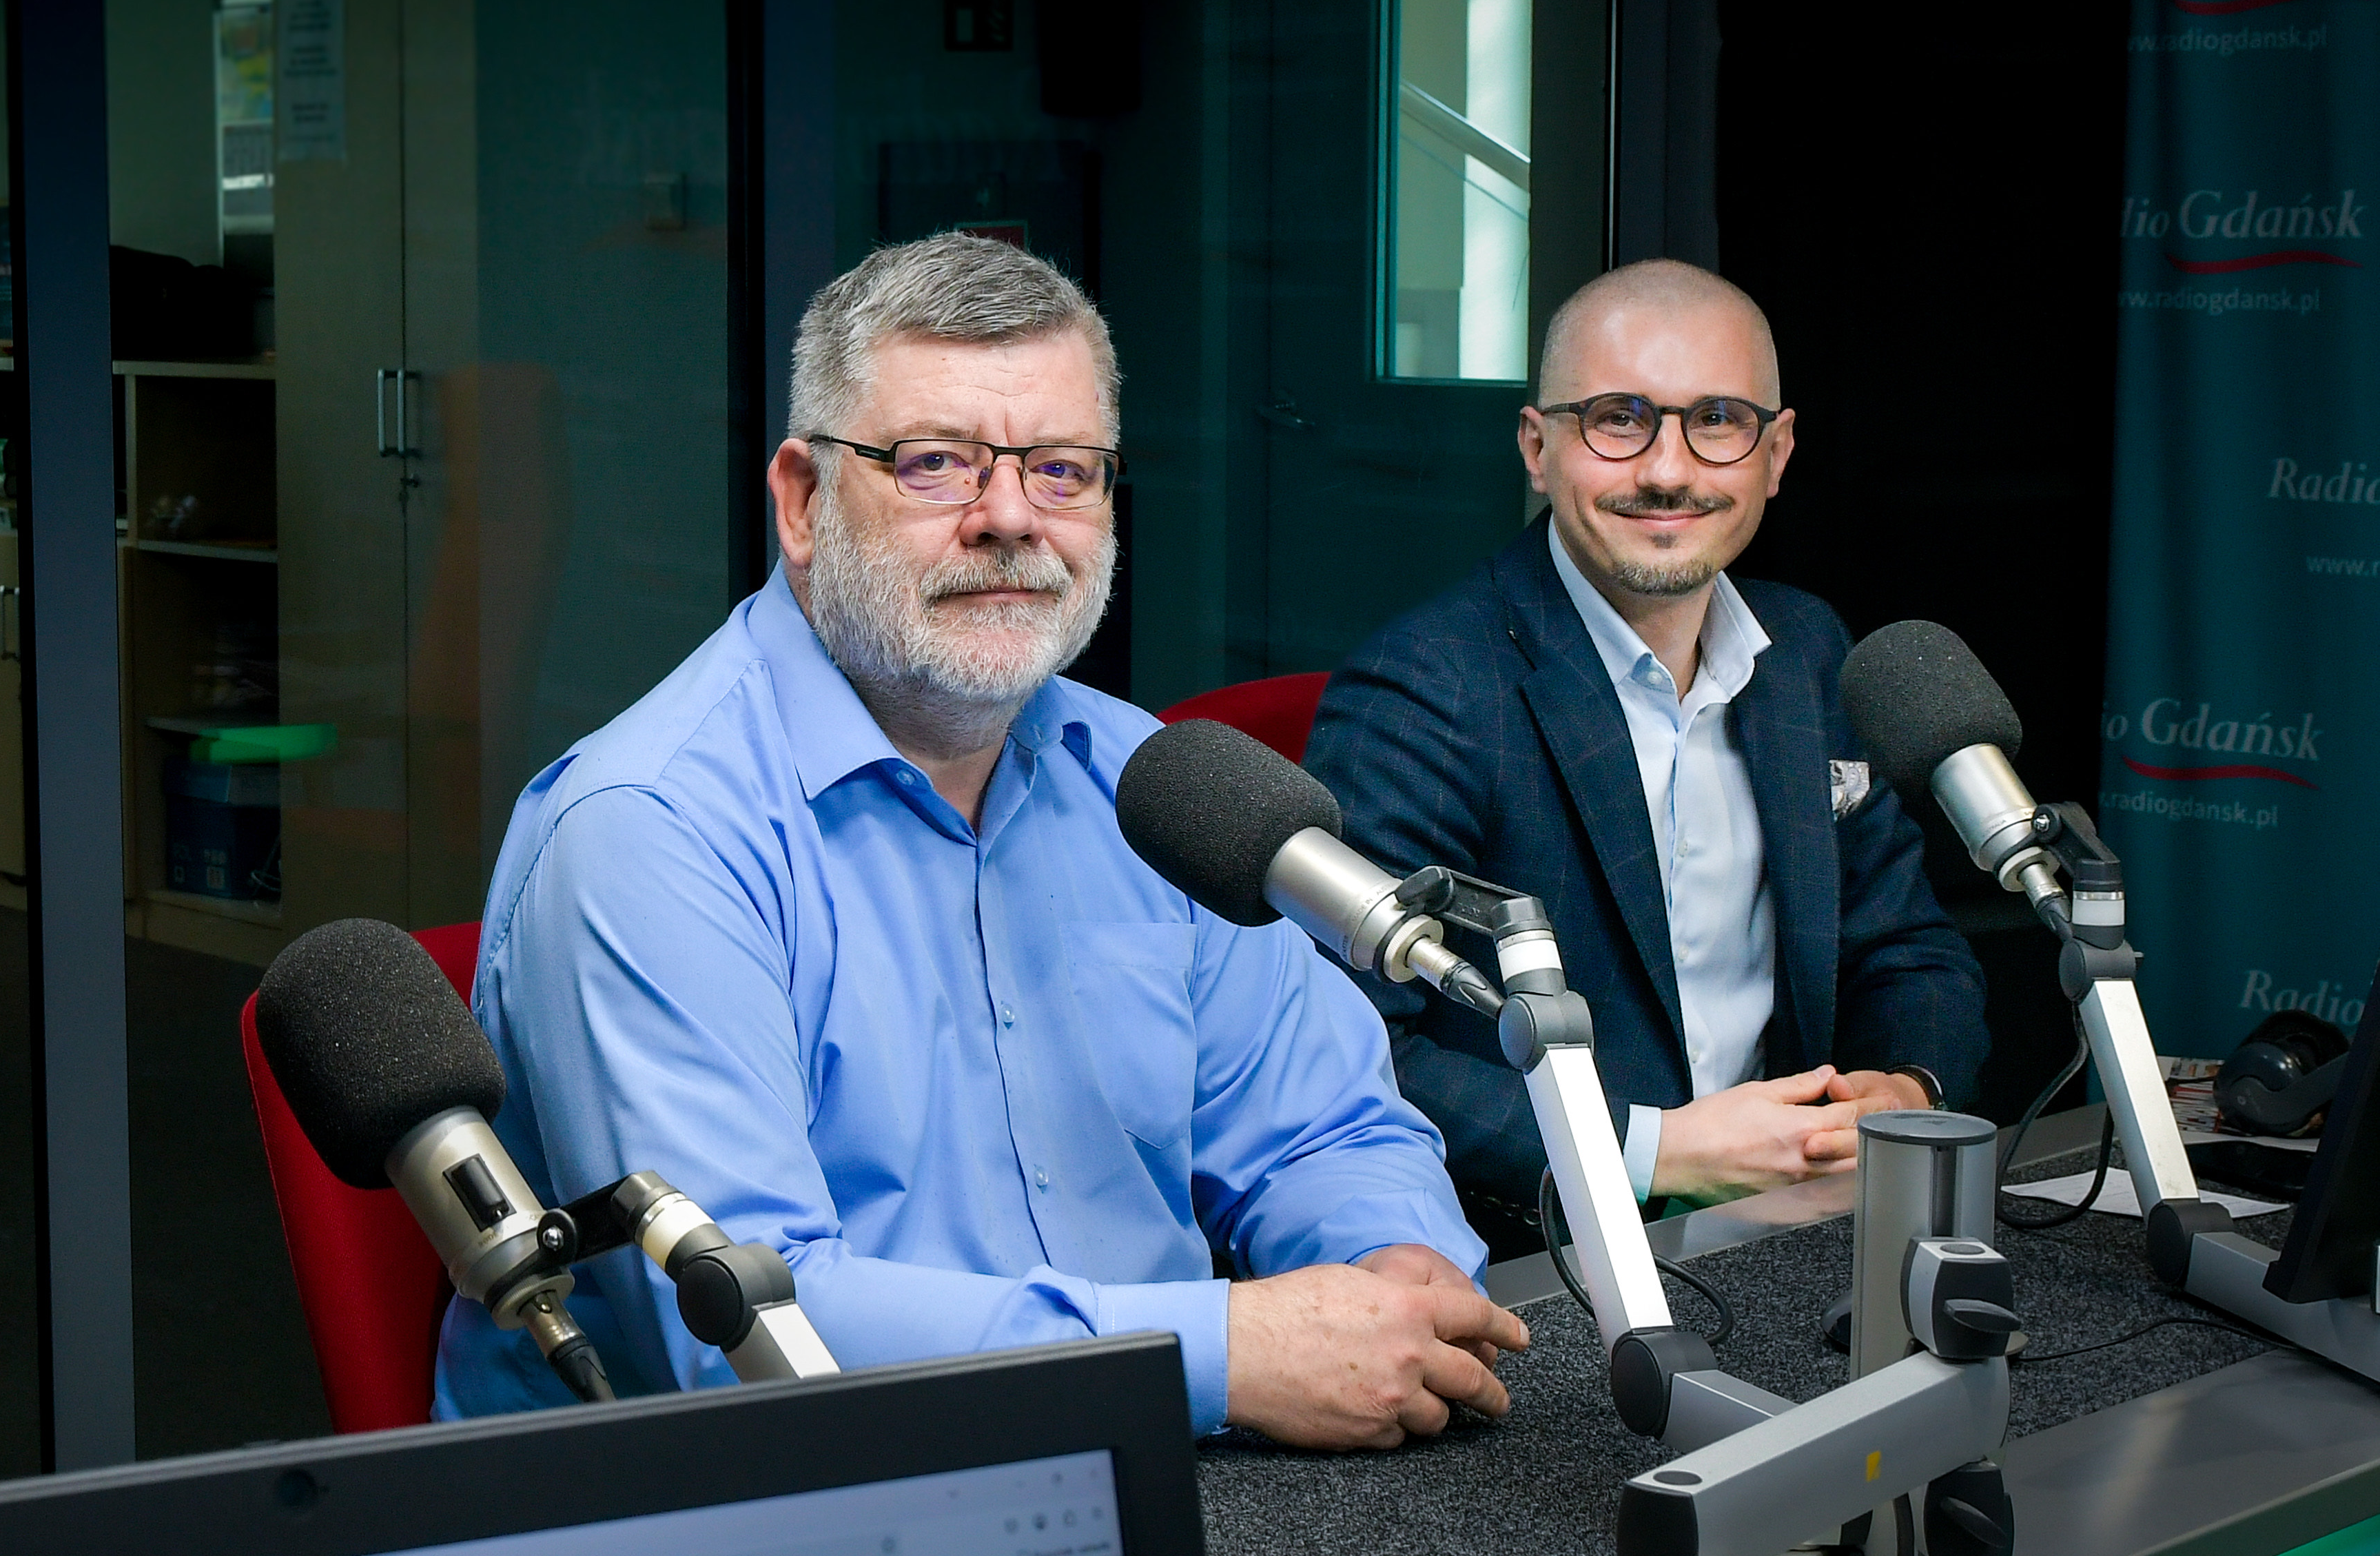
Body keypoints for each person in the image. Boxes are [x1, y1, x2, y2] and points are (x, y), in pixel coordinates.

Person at [435, 233, 1525, 1448]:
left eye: (1063, 470)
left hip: (1179, 1476)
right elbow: (742, 1329)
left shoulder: (1155, 786)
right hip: (768, 1525)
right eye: (936, 464)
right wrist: (1225, 1353)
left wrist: (1396, 1266)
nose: (1011, 519)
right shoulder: (648, 835)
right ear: (802, 502)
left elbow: (1324, 1129)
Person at [1304, 260, 1985, 1229]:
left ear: (1777, 453)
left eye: (1718, 421)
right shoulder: (1425, 693)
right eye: (1619, 419)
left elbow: (1907, 946)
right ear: (1538, 448)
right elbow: (1349, 1047)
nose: (1668, 472)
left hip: (1794, 1226)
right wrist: (1652, 1151)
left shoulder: (1809, 654)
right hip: (1540, 1260)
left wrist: (1907, 1091)